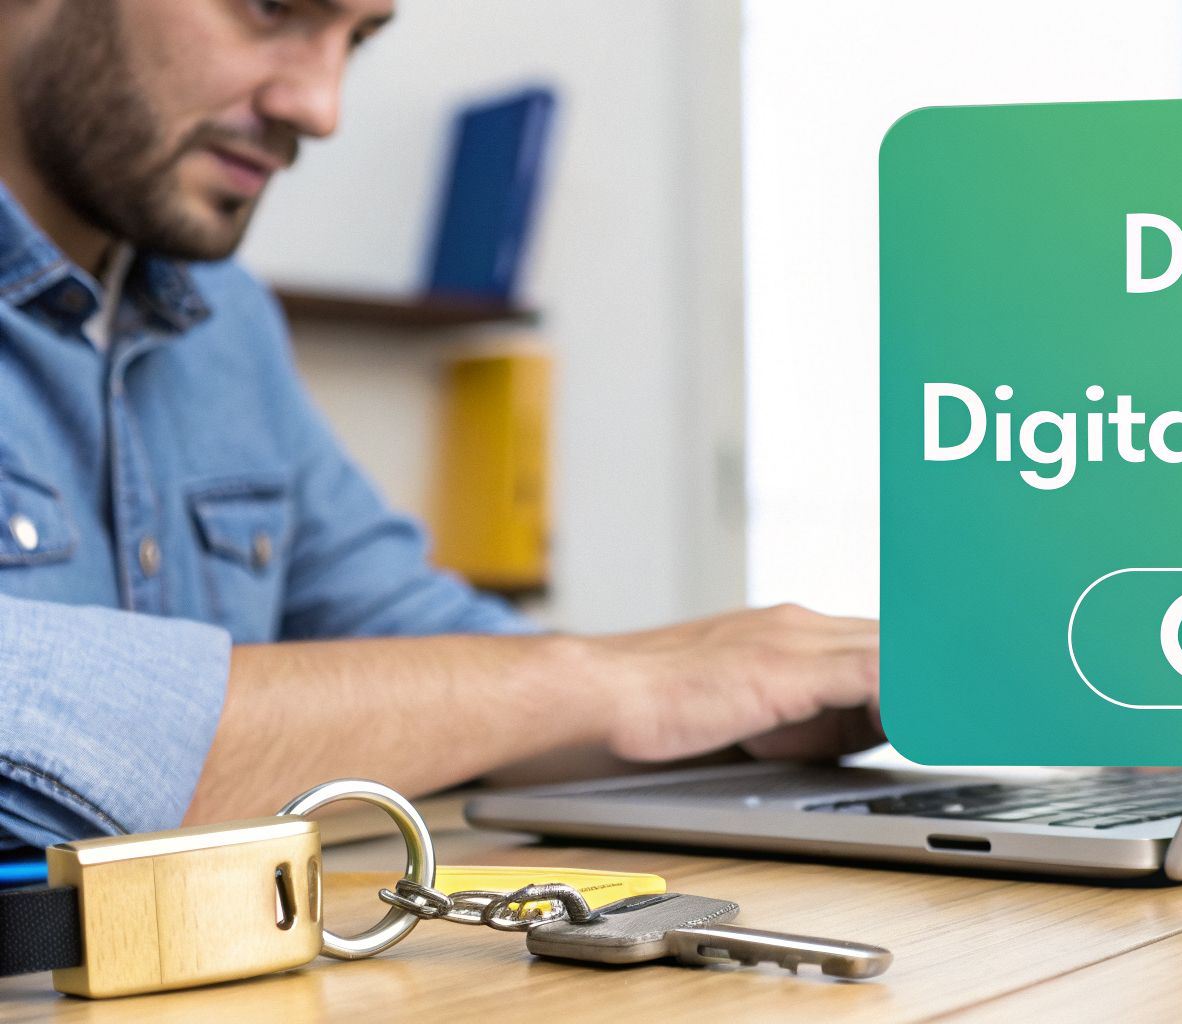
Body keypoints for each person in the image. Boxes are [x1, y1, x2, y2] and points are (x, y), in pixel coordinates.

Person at [0, 0, 881, 850]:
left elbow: (425, 649)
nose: (320, 107)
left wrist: (758, 707)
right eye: (271, 7)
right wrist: (608, 680)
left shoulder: (227, 324)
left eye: (358, 39)